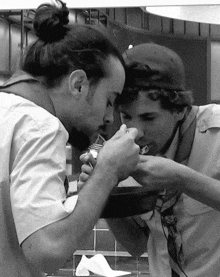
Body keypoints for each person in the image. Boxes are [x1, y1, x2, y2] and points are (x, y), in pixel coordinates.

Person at [0, 1, 140, 276]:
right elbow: (47, 251)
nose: (110, 117)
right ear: (78, 84)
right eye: (109, 100)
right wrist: (108, 172)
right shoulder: (39, 126)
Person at [79, 42, 220, 277]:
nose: (136, 132)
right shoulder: (122, 153)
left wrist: (182, 179)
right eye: (126, 116)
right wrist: (105, 190)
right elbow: (135, 245)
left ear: (180, 110)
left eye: (149, 117)